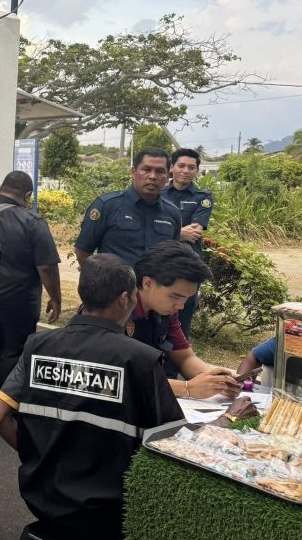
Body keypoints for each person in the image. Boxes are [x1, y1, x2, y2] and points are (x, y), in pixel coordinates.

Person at [0, 253, 184, 540]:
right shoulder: (139, 360)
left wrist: (39, 456)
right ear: (124, 299)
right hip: (111, 510)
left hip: (42, 497)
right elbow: (173, 440)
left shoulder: (38, 345)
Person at [0, 170, 62, 397]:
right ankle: (2, 405)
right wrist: (55, 298)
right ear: (28, 195)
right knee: (9, 357)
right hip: (16, 307)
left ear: (1, 188)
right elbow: (47, 268)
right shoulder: (33, 223)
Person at [131, 240, 241, 400]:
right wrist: (186, 388)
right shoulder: (115, 309)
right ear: (148, 283)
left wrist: (219, 380)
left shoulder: (165, 312)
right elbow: (117, 377)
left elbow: (185, 358)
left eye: (186, 298)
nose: (181, 306)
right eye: (175, 296)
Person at [74, 148, 182, 266]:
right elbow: (82, 251)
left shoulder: (173, 213)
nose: (153, 176)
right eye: (146, 170)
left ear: (167, 176)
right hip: (114, 278)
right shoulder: (106, 205)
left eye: (160, 171)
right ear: (133, 172)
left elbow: (172, 256)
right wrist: (99, 276)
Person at [162, 148, 213, 339]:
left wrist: (168, 232)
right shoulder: (158, 193)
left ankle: (179, 351)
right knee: (158, 303)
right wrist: (179, 233)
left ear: (197, 171)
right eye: (181, 165)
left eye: (191, 167)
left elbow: (194, 233)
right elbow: (149, 227)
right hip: (161, 260)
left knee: (185, 305)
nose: (185, 171)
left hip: (189, 261)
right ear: (171, 168)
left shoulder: (203, 197)